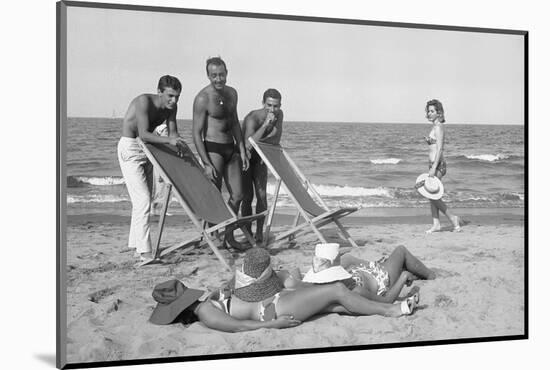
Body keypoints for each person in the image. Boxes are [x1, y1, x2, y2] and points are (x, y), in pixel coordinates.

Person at [149, 248, 419, 333]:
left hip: (274, 301)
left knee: (336, 305)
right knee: (336, 289)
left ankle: (386, 303)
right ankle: (391, 309)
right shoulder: (206, 312)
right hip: (272, 312)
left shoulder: (206, 300)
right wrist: (274, 325)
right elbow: (239, 327)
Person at [118, 75, 187, 261]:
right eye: (170, 96)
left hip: (147, 149)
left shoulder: (172, 108)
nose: (174, 100)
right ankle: (144, 252)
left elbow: (173, 133)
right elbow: (144, 134)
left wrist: (179, 147)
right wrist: (170, 140)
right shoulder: (144, 102)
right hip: (131, 147)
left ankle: (135, 245)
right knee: (143, 201)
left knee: (142, 200)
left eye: (177, 97)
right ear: (159, 92)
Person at [193, 57, 249, 250]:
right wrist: (206, 163)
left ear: (227, 72)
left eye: (221, 74)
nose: (218, 79)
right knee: (214, 196)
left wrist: (242, 150)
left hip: (230, 147)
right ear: (208, 75)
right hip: (213, 148)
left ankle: (229, 235)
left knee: (238, 194)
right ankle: (215, 235)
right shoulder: (203, 98)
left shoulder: (232, 93)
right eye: (214, 75)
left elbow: (234, 122)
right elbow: (196, 134)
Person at [300, 243, 435, 304]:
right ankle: (431, 276)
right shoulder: (353, 289)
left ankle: (411, 271)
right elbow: (387, 301)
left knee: (347, 258)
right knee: (401, 250)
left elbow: (295, 284)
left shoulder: (317, 285)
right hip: (383, 279)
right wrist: (403, 276)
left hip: (371, 270)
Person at [241, 88, 284, 244]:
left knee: (262, 196)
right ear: (263, 103)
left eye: (276, 106)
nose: (273, 110)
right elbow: (247, 145)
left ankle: (259, 231)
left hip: (260, 157)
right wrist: (266, 125)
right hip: (244, 157)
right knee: (247, 197)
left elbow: (276, 139)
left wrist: (259, 140)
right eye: (269, 105)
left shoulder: (280, 114)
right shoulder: (253, 118)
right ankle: (247, 231)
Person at [423, 99, 461, 233]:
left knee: (432, 195)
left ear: (439, 113)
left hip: (438, 165)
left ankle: (453, 218)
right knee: (431, 194)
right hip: (433, 164)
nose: (429, 113)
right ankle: (436, 224)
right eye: (428, 110)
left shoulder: (439, 127)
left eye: (432, 111)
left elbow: (439, 149)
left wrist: (434, 167)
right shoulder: (434, 127)